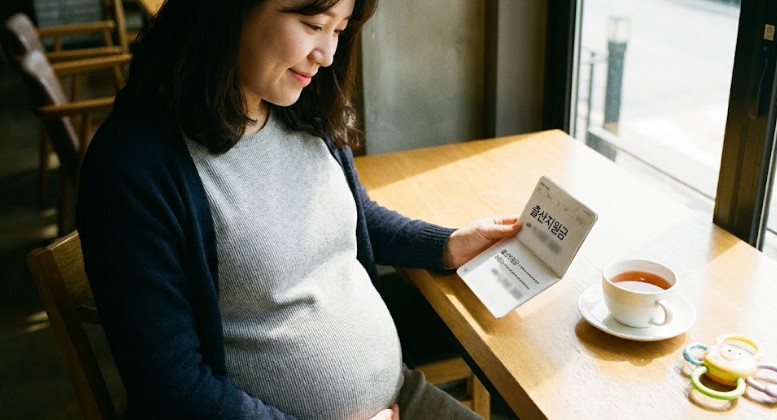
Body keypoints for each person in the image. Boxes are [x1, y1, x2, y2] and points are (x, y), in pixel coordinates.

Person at [76, 0, 521, 418]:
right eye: (313, 26)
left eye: (339, 30)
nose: (326, 54)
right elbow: (171, 387)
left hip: (398, 395)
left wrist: (444, 244)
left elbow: (354, 214)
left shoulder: (299, 106)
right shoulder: (132, 167)